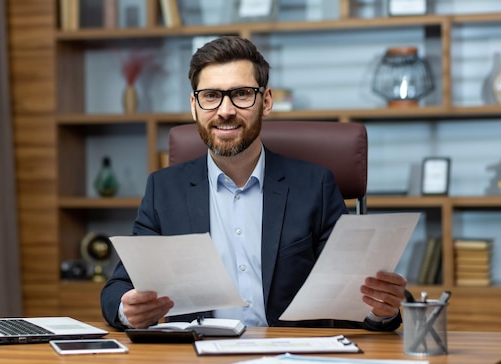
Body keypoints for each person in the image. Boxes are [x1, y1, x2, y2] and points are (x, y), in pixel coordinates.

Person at [100, 36, 406, 331]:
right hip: (196, 361)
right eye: (211, 96)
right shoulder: (163, 190)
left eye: (242, 94)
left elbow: (355, 294)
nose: (225, 110)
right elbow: (118, 288)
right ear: (194, 106)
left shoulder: (315, 187)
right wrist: (127, 309)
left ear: (266, 101)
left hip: (291, 359)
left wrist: (380, 310)